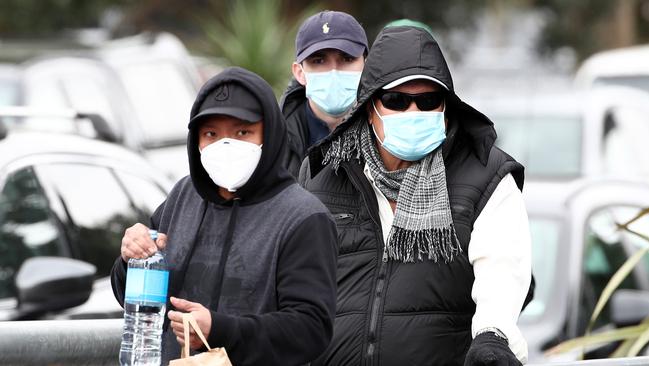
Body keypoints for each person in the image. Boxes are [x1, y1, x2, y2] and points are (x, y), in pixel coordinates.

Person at [299, 23, 534, 365]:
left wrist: (492, 335)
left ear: (446, 107)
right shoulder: (323, 175)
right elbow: (295, 291)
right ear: (370, 108)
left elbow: (503, 270)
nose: (413, 113)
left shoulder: (487, 176)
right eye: (396, 100)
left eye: (427, 101)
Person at [110, 67, 338, 366]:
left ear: (268, 135)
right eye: (211, 134)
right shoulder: (184, 197)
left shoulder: (303, 217)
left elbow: (311, 329)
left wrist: (221, 330)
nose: (226, 145)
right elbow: (132, 295)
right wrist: (131, 259)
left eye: (242, 132)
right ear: (196, 141)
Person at [281, 10, 368, 177]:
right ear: (299, 72)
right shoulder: (273, 140)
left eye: (347, 58)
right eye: (319, 61)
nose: (333, 72)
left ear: (367, 66)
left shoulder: (387, 137)